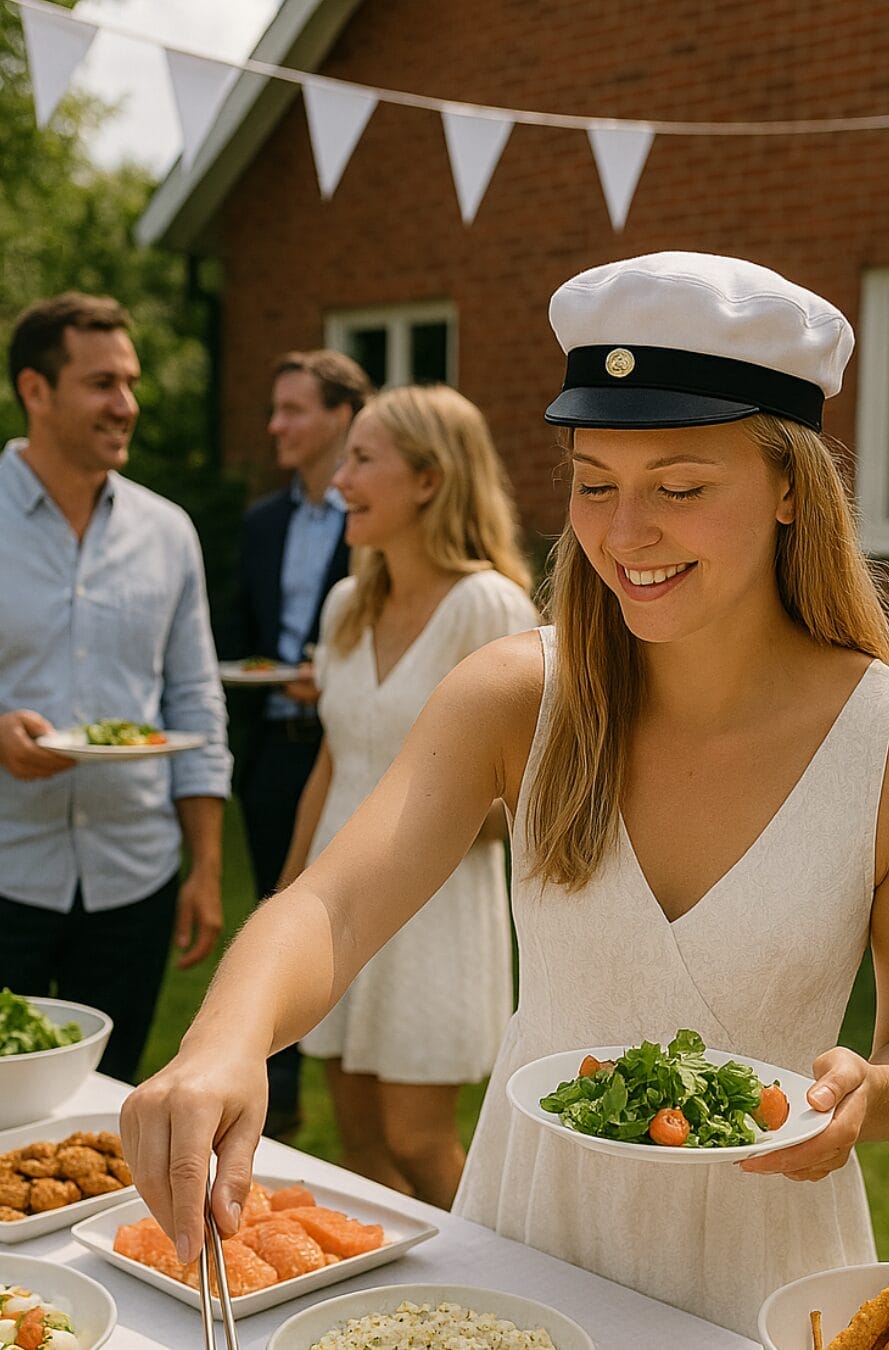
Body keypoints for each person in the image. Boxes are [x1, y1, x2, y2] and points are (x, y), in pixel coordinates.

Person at [121, 253, 889, 1336]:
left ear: (786, 488)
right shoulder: (517, 695)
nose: (626, 536)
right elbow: (330, 906)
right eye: (593, 483)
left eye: (679, 487)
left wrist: (873, 1092)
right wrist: (222, 1045)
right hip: (527, 1241)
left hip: (768, 1277)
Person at [278, 383, 538, 1207]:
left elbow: (530, 795)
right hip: (337, 898)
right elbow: (335, 757)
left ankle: (511, 1296)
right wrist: (287, 897)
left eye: (361, 459)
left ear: (429, 479)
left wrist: (430, 823)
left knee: (416, 1143)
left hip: (435, 906)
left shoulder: (488, 606)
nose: (337, 480)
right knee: (359, 1150)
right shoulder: (347, 603)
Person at [0, 292, 231, 1084]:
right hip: (7, 870)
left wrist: (204, 866)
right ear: (36, 390)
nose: (125, 405)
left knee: (111, 1096)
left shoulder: (168, 532)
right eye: (103, 384)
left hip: (135, 875)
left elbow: (195, 700)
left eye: (130, 383)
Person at [222, 348, 372, 1139]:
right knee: (274, 908)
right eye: (273, 409)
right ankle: (273, 1090)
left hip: (354, 747)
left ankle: (355, 1065)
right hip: (275, 748)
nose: (275, 425)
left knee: (346, 912)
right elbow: (243, 633)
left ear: (342, 417)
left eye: (293, 410)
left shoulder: (376, 517)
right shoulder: (261, 522)